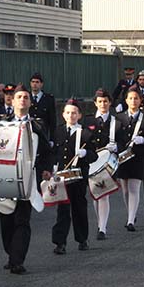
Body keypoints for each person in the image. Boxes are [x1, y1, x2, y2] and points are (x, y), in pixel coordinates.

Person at [0, 84, 53, 274]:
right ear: (13, 99)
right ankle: (11, 253)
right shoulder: (1, 122)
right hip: (4, 176)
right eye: (19, 97)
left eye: (26, 97)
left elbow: (46, 152)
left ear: (30, 101)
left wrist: (45, 169)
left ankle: (17, 260)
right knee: (5, 218)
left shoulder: (37, 125)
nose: (22, 100)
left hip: (28, 177)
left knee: (22, 219)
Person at [51, 99, 97, 254]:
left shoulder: (85, 133)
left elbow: (94, 156)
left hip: (78, 176)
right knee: (62, 209)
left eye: (74, 113)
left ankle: (82, 238)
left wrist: (85, 154)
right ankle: (60, 242)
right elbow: (53, 153)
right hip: (62, 177)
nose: (71, 115)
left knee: (79, 207)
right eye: (68, 112)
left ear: (79, 115)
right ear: (63, 115)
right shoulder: (57, 131)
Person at [115, 85, 144, 231]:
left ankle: (131, 220)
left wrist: (143, 140)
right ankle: (130, 212)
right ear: (126, 100)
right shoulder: (119, 118)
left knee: (134, 187)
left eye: (136, 98)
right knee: (124, 189)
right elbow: (115, 136)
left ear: (141, 100)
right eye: (130, 98)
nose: (133, 101)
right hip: (123, 157)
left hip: (138, 156)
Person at [85, 88, 119, 240]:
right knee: (95, 195)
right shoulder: (88, 120)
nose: (103, 104)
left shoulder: (115, 121)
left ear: (110, 102)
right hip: (92, 161)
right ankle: (100, 222)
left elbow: (123, 139)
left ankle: (102, 228)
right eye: (100, 101)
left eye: (105, 101)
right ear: (95, 103)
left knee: (103, 194)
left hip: (107, 163)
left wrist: (117, 146)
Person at [29, 72, 56, 144]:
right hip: (29, 133)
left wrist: (52, 139)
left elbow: (52, 120)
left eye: (37, 82)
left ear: (41, 84)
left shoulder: (48, 99)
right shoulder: (26, 97)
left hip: (43, 134)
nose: (34, 84)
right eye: (33, 82)